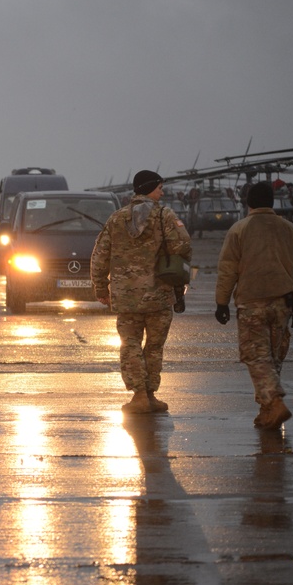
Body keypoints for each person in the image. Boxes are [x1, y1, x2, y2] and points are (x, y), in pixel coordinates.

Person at [91, 170, 192, 413]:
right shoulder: (164, 216)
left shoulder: (117, 218)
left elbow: (99, 255)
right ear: (148, 188)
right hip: (160, 295)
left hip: (126, 297)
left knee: (130, 343)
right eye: (159, 187)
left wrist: (100, 287)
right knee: (155, 346)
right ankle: (150, 394)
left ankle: (139, 396)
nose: (162, 192)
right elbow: (183, 244)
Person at [215, 181, 293, 430]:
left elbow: (227, 269)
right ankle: (266, 410)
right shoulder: (290, 229)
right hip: (283, 303)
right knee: (273, 358)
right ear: (273, 202)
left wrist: (221, 302)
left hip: (252, 302)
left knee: (257, 357)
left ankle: (274, 403)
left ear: (249, 203)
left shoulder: (239, 229)